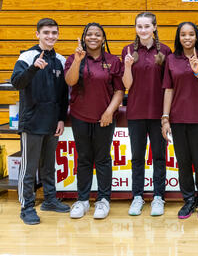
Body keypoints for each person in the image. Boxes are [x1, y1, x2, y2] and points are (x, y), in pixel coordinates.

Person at [11, 18, 70, 225]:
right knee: (29, 167)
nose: (51, 36)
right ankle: (26, 207)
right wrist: (33, 68)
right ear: (37, 34)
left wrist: (61, 118)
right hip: (32, 122)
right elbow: (17, 83)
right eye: (46, 32)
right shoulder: (27, 56)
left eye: (54, 32)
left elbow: (64, 95)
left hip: (52, 122)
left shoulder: (61, 60)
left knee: (48, 166)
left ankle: (50, 200)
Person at [64, 22, 124, 220]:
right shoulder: (74, 58)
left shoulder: (113, 61)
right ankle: (82, 200)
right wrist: (77, 61)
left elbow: (119, 90)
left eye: (97, 34)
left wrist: (109, 111)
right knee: (84, 158)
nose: (93, 37)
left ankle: (103, 199)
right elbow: (70, 82)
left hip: (104, 118)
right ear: (83, 37)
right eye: (89, 34)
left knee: (103, 158)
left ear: (103, 38)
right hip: (80, 116)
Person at [161, 22, 198, 219]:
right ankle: (188, 200)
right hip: (178, 119)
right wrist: (165, 118)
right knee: (183, 162)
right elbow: (169, 89)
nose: (187, 38)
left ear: (196, 37)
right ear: (178, 37)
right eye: (183, 34)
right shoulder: (171, 59)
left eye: (191, 34)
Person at [122, 12, 171, 217]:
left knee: (159, 157)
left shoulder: (166, 51)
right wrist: (127, 66)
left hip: (159, 113)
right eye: (139, 26)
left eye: (146, 26)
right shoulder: (128, 51)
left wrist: (166, 116)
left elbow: (169, 84)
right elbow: (126, 85)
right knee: (137, 158)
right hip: (136, 113)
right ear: (136, 28)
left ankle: (158, 197)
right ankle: (137, 197)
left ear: (154, 27)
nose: (143, 30)